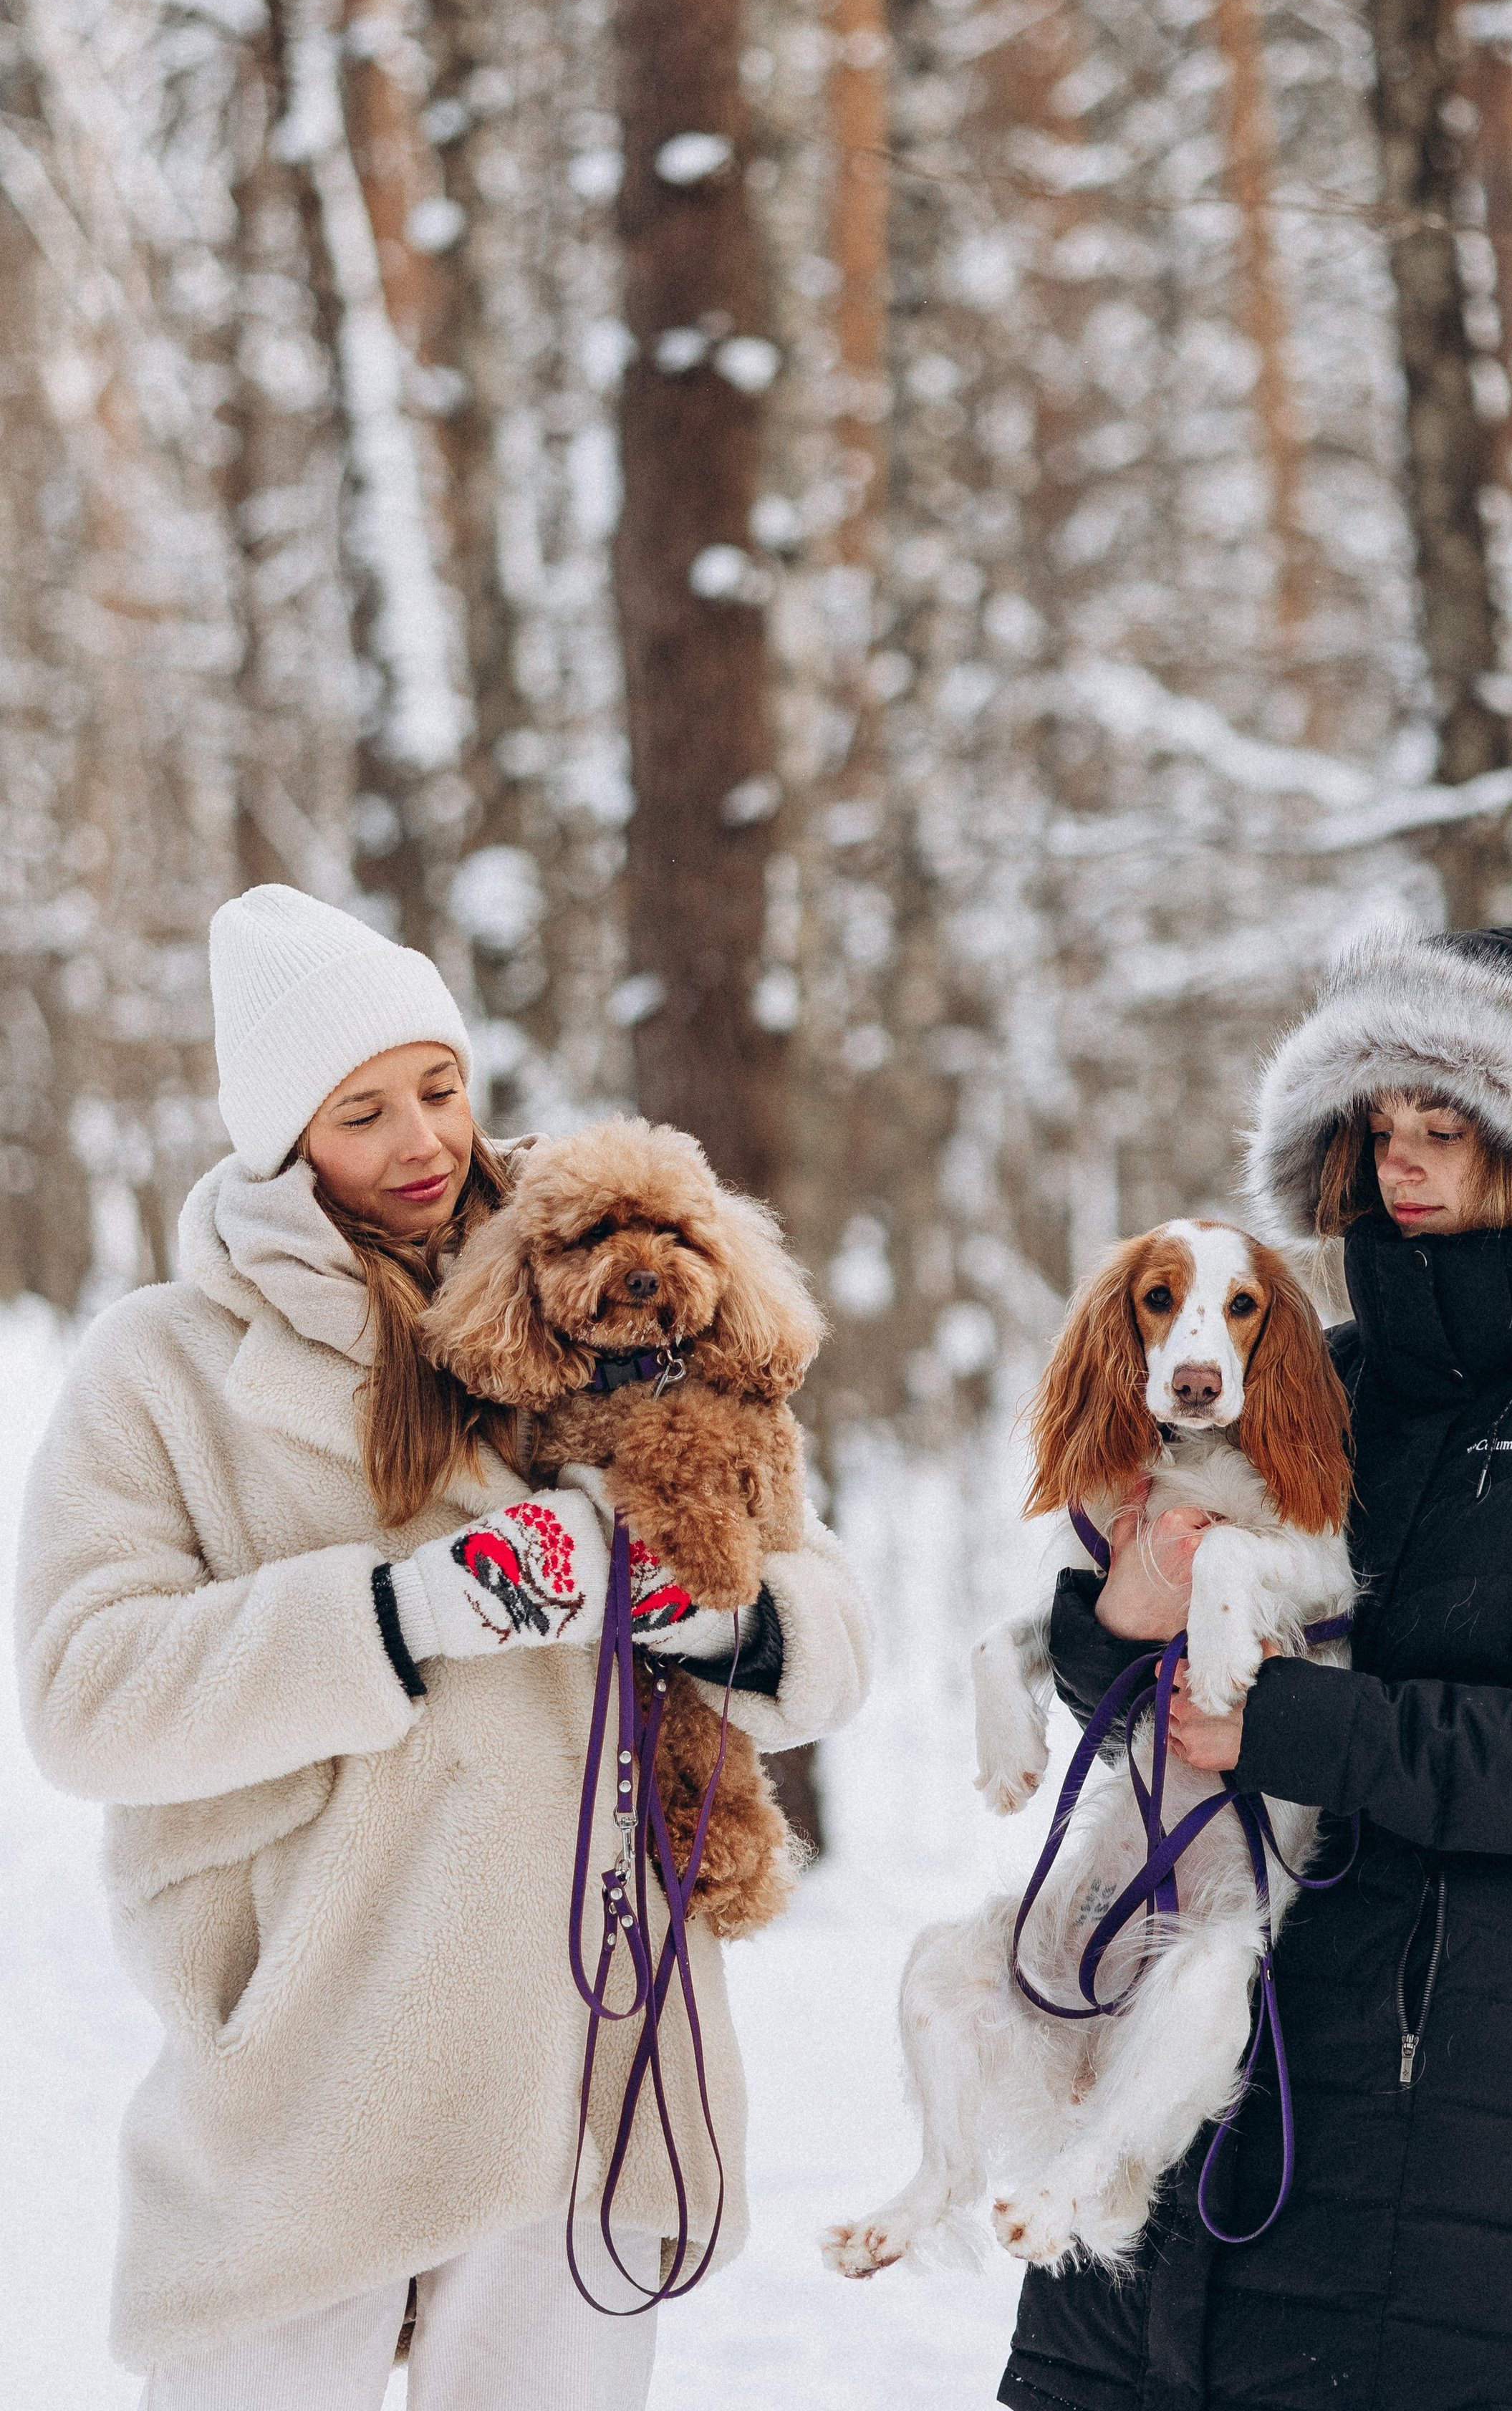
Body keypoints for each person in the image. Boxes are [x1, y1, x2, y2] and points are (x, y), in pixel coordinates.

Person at [16, 885, 872, 2410]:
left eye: (440, 1086)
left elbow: (829, 1618)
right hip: (314, 2058)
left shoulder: (611, 1281)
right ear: (284, 1138)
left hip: (584, 2035)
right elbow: (85, 1698)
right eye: (362, 1110)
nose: (423, 1140)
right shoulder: (163, 1365)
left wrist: (731, 1623)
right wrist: (403, 1611)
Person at [998, 928, 1512, 2411]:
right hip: (1171, 2071)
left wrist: (1280, 1722)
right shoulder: (1313, 1369)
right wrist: (1113, 1627)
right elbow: (1132, 1673)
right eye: (1376, 1129)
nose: (1400, 1166)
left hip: (1435, 2123)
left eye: (1446, 1129)